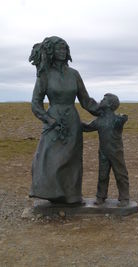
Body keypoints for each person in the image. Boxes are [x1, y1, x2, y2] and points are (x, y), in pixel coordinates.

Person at [29, 36, 99, 204]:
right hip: (54, 122)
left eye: (65, 49)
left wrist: (104, 111)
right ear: (51, 51)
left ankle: (72, 196)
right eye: (59, 49)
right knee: (48, 158)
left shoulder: (74, 74)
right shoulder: (44, 74)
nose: (62, 52)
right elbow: (36, 103)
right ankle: (52, 193)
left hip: (72, 122)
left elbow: (86, 101)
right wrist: (48, 119)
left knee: (72, 159)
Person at [83, 93, 130, 207]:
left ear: (109, 104)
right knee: (102, 175)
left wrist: (122, 117)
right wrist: (73, 122)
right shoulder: (99, 120)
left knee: (120, 174)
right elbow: (86, 127)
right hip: (103, 152)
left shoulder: (117, 119)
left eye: (104, 99)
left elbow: (123, 118)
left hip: (116, 152)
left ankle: (124, 197)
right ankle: (101, 196)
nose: (101, 101)